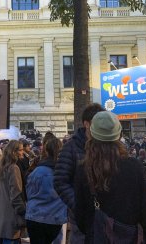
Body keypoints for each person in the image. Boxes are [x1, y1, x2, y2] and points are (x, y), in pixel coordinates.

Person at [74, 111, 146, 243]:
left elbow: (80, 216)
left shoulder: (83, 169)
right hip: (130, 237)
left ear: (91, 135)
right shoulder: (134, 166)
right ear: (118, 135)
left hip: (97, 238)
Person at [54, 103, 105, 242]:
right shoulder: (71, 147)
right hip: (82, 218)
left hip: (107, 213)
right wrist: (78, 205)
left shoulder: (106, 145)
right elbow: (60, 181)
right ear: (87, 124)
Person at [26, 136, 67, 243]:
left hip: (34, 216)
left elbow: (29, 193)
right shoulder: (63, 172)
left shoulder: (36, 171)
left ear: (46, 151)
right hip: (55, 218)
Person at [0, 140, 26, 243]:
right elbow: (16, 195)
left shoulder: (2, 168)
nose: (23, 152)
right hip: (11, 219)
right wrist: (23, 212)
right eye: (20, 150)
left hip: (2, 217)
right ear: (14, 152)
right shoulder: (13, 168)